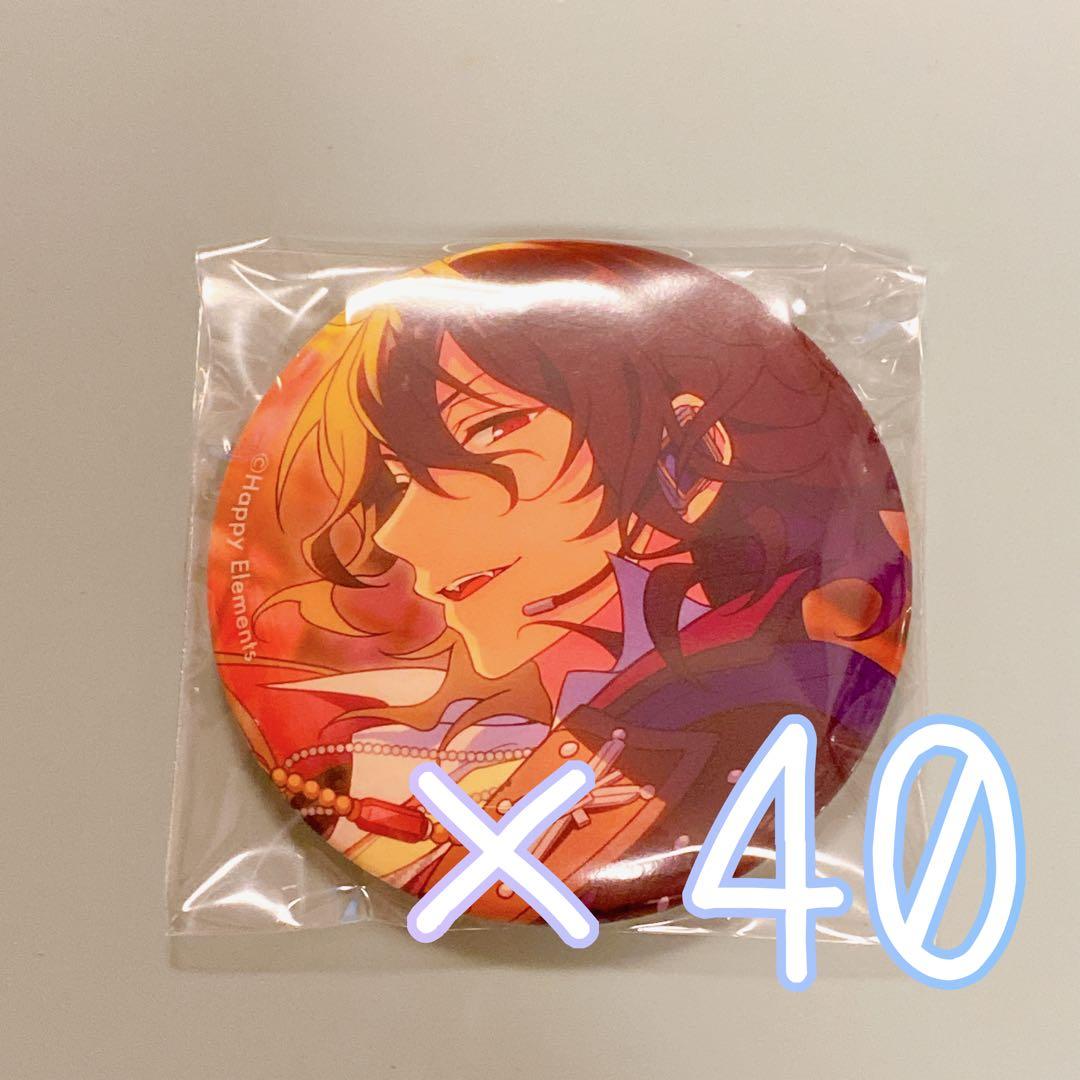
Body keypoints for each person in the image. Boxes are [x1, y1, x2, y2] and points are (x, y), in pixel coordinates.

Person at [250, 240, 910, 920]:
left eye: (491, 432)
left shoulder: (734, 713)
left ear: (687, 453)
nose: (394, 534)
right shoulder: (577, 719)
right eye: (398, 476)